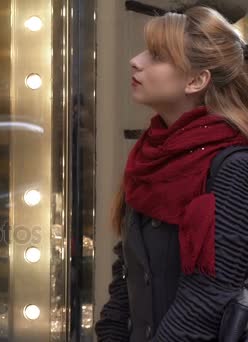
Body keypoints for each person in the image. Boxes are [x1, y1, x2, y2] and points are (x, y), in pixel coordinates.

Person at [95, 6, 248, 341]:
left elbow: (210, 296)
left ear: (196, 80)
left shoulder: (233, 166)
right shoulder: (149, 156)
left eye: (157, 55)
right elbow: (128, 272)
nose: (136, 61)